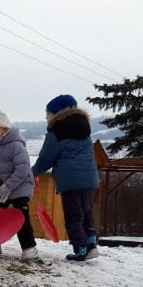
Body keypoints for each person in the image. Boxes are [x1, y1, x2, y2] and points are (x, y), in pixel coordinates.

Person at [32, 94, 100, 262]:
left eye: (48, 113)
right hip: (90, 178)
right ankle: (91, 243)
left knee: (73, 215)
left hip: (71, 180)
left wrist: (32, 172)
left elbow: (45, 159)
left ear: (57, 113)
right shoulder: (84, 129)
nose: (46, 117)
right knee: (86, 211)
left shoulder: (57, 131)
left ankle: (80, 249)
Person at [0, 101, 38, 260]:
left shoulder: (15, 145)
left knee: (20, 213)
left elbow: (23, 168)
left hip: (20, 185)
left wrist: (9, 186)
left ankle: (29, 248)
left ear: (4, 128)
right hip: (0, 188)